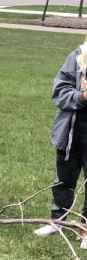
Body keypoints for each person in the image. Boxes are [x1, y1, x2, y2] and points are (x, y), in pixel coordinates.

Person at [36, 39, 87, 249]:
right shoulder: (79, 56)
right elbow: (60, 90)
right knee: (64, 178)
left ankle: (85, 229)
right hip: (72, 133)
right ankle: (58, 221)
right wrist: (82, 96)